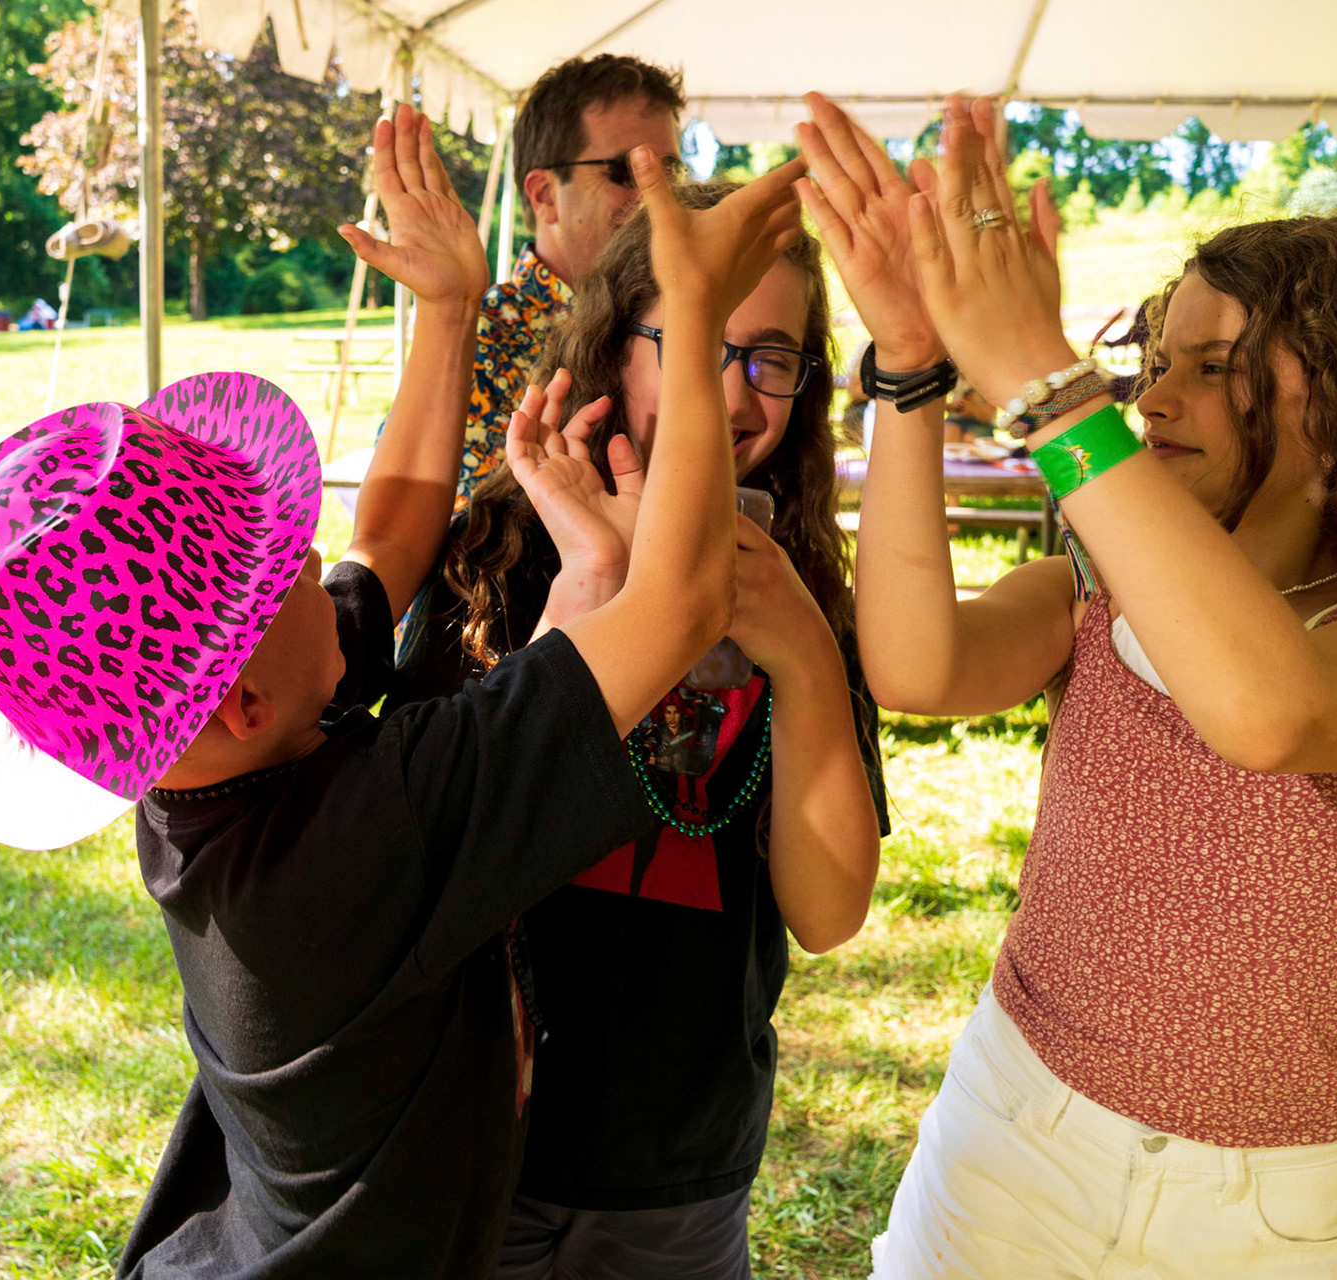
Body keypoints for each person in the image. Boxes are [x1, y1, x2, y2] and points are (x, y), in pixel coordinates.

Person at [0, 106, 808, 1279]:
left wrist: (448, 313)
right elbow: (685, 604)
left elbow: (390, 530)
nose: (321, 563)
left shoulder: (238, 743)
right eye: (284, 563)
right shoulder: (355, 843)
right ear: (234, 698)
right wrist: (689, 330)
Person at [796, 91, 1337, 1280]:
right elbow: (919, 667)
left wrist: (1047, 382)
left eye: (1213, 368)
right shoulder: (1100, 592)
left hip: (1262, 1213)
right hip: (1010, 1129)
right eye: (1152, 363)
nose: (1152, 399)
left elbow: (1272, 710)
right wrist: (911, 373)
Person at [388, 179, 888, 1278]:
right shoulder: (495, 559)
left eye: (773, 356)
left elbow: (829, 909)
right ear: (617, 347)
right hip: (477, 1144)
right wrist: (599, 590)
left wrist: (804, 657)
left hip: (679, 1168)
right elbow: (428, 853)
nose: (740, 389)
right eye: (701, 336)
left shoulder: (802, 593)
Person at [392, 53, 686, 502]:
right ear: (545, 195)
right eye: (628, 171)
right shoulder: (484, 339)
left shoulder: (684, 317)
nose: (658, 194)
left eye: (669, 172)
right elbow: (441, 542)